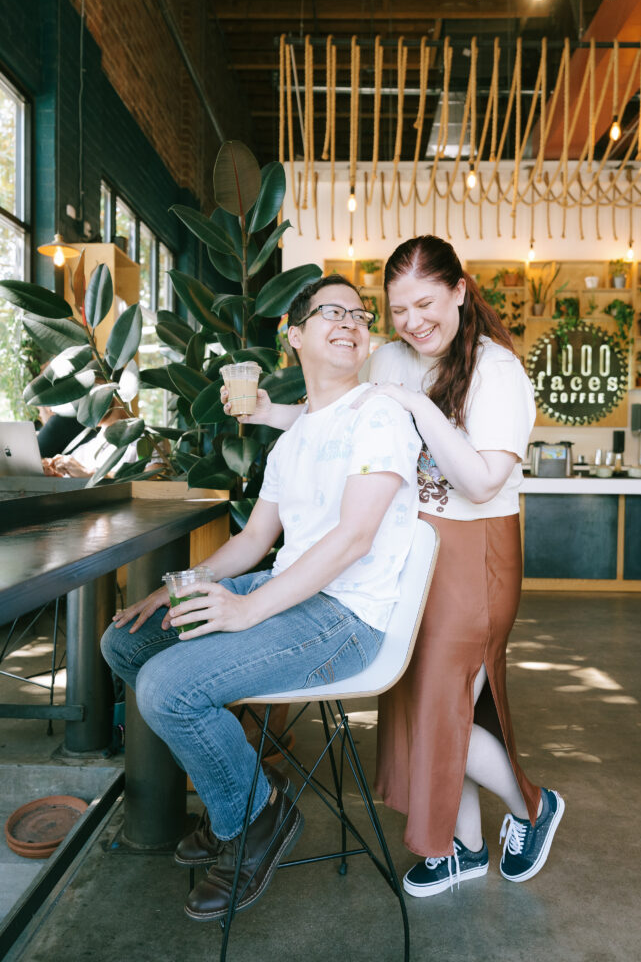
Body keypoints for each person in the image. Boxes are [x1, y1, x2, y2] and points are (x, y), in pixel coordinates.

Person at [237, 237, 564, 899]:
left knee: (441, 713)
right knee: (421, 708)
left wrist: (416, 406)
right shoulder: (388, 356)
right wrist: (266, 413)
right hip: (411, 552)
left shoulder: (494, 370)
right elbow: (335, 413)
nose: (413, 321)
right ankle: (463, 848)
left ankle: (534, 807)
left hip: (474, 557)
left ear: (459, 292)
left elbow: (478, 482)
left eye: (425, 303)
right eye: (397, 309)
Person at [100, 275, 421, 919]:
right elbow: (252, 542)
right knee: (128, 642)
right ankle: (245, 790)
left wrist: (247, 607)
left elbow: (356, 538)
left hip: (346, 616)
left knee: (169, 688)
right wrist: (188, 587)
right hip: (290, 592)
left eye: (360, 315)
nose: (351, 322)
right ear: (294, 334)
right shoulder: (298, 432)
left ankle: (255, 818)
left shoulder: (381, 415)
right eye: (331, 311)